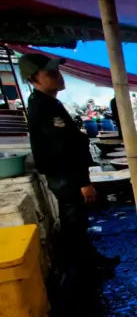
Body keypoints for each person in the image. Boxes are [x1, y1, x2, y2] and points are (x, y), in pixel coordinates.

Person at [21, 52, 119, 272]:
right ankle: (83, 267)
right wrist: (84, 182)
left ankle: (86, 261)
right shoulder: (43, 107)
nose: (59, 76)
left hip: (65, 174)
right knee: (74, 221)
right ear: (34, 78)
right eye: (51, 73)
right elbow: (62, 148)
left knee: (76, 220)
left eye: (57, 71)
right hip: (66, 175)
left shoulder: (47, 102)